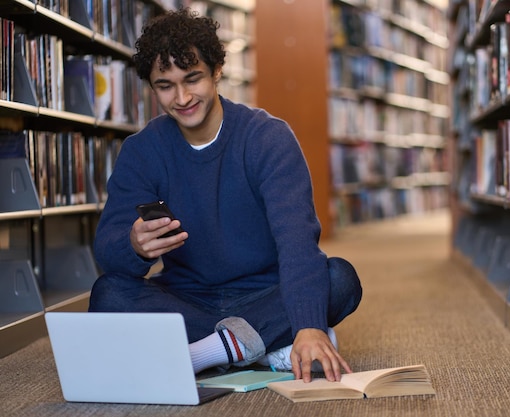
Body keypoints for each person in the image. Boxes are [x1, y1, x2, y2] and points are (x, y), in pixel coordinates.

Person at [88, 8, 362, 384]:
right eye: (165, 85)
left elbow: (298, 242)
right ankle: (263, 347)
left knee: (339, 278)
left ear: (217, 70)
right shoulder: (142, 150)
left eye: (193, 79)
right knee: (108, 294)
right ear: (151, 87)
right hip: (188, 300)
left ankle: (204, 354)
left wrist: (310, 325)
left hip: (266, 291)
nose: (182, 97)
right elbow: (107, 251)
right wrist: (132, 245)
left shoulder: (268, 138)